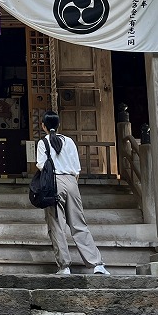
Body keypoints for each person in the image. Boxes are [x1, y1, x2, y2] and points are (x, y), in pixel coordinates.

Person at [36, 111, 110, 275]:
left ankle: (64, 266)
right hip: (71, 182)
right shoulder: (69, 141)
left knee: (56, 225)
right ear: (59, 125)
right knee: (79, 224)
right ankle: (96, 263)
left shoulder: (43, 143)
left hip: (54, 183)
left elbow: (41, 165)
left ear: (43, 126)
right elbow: (77, 168)